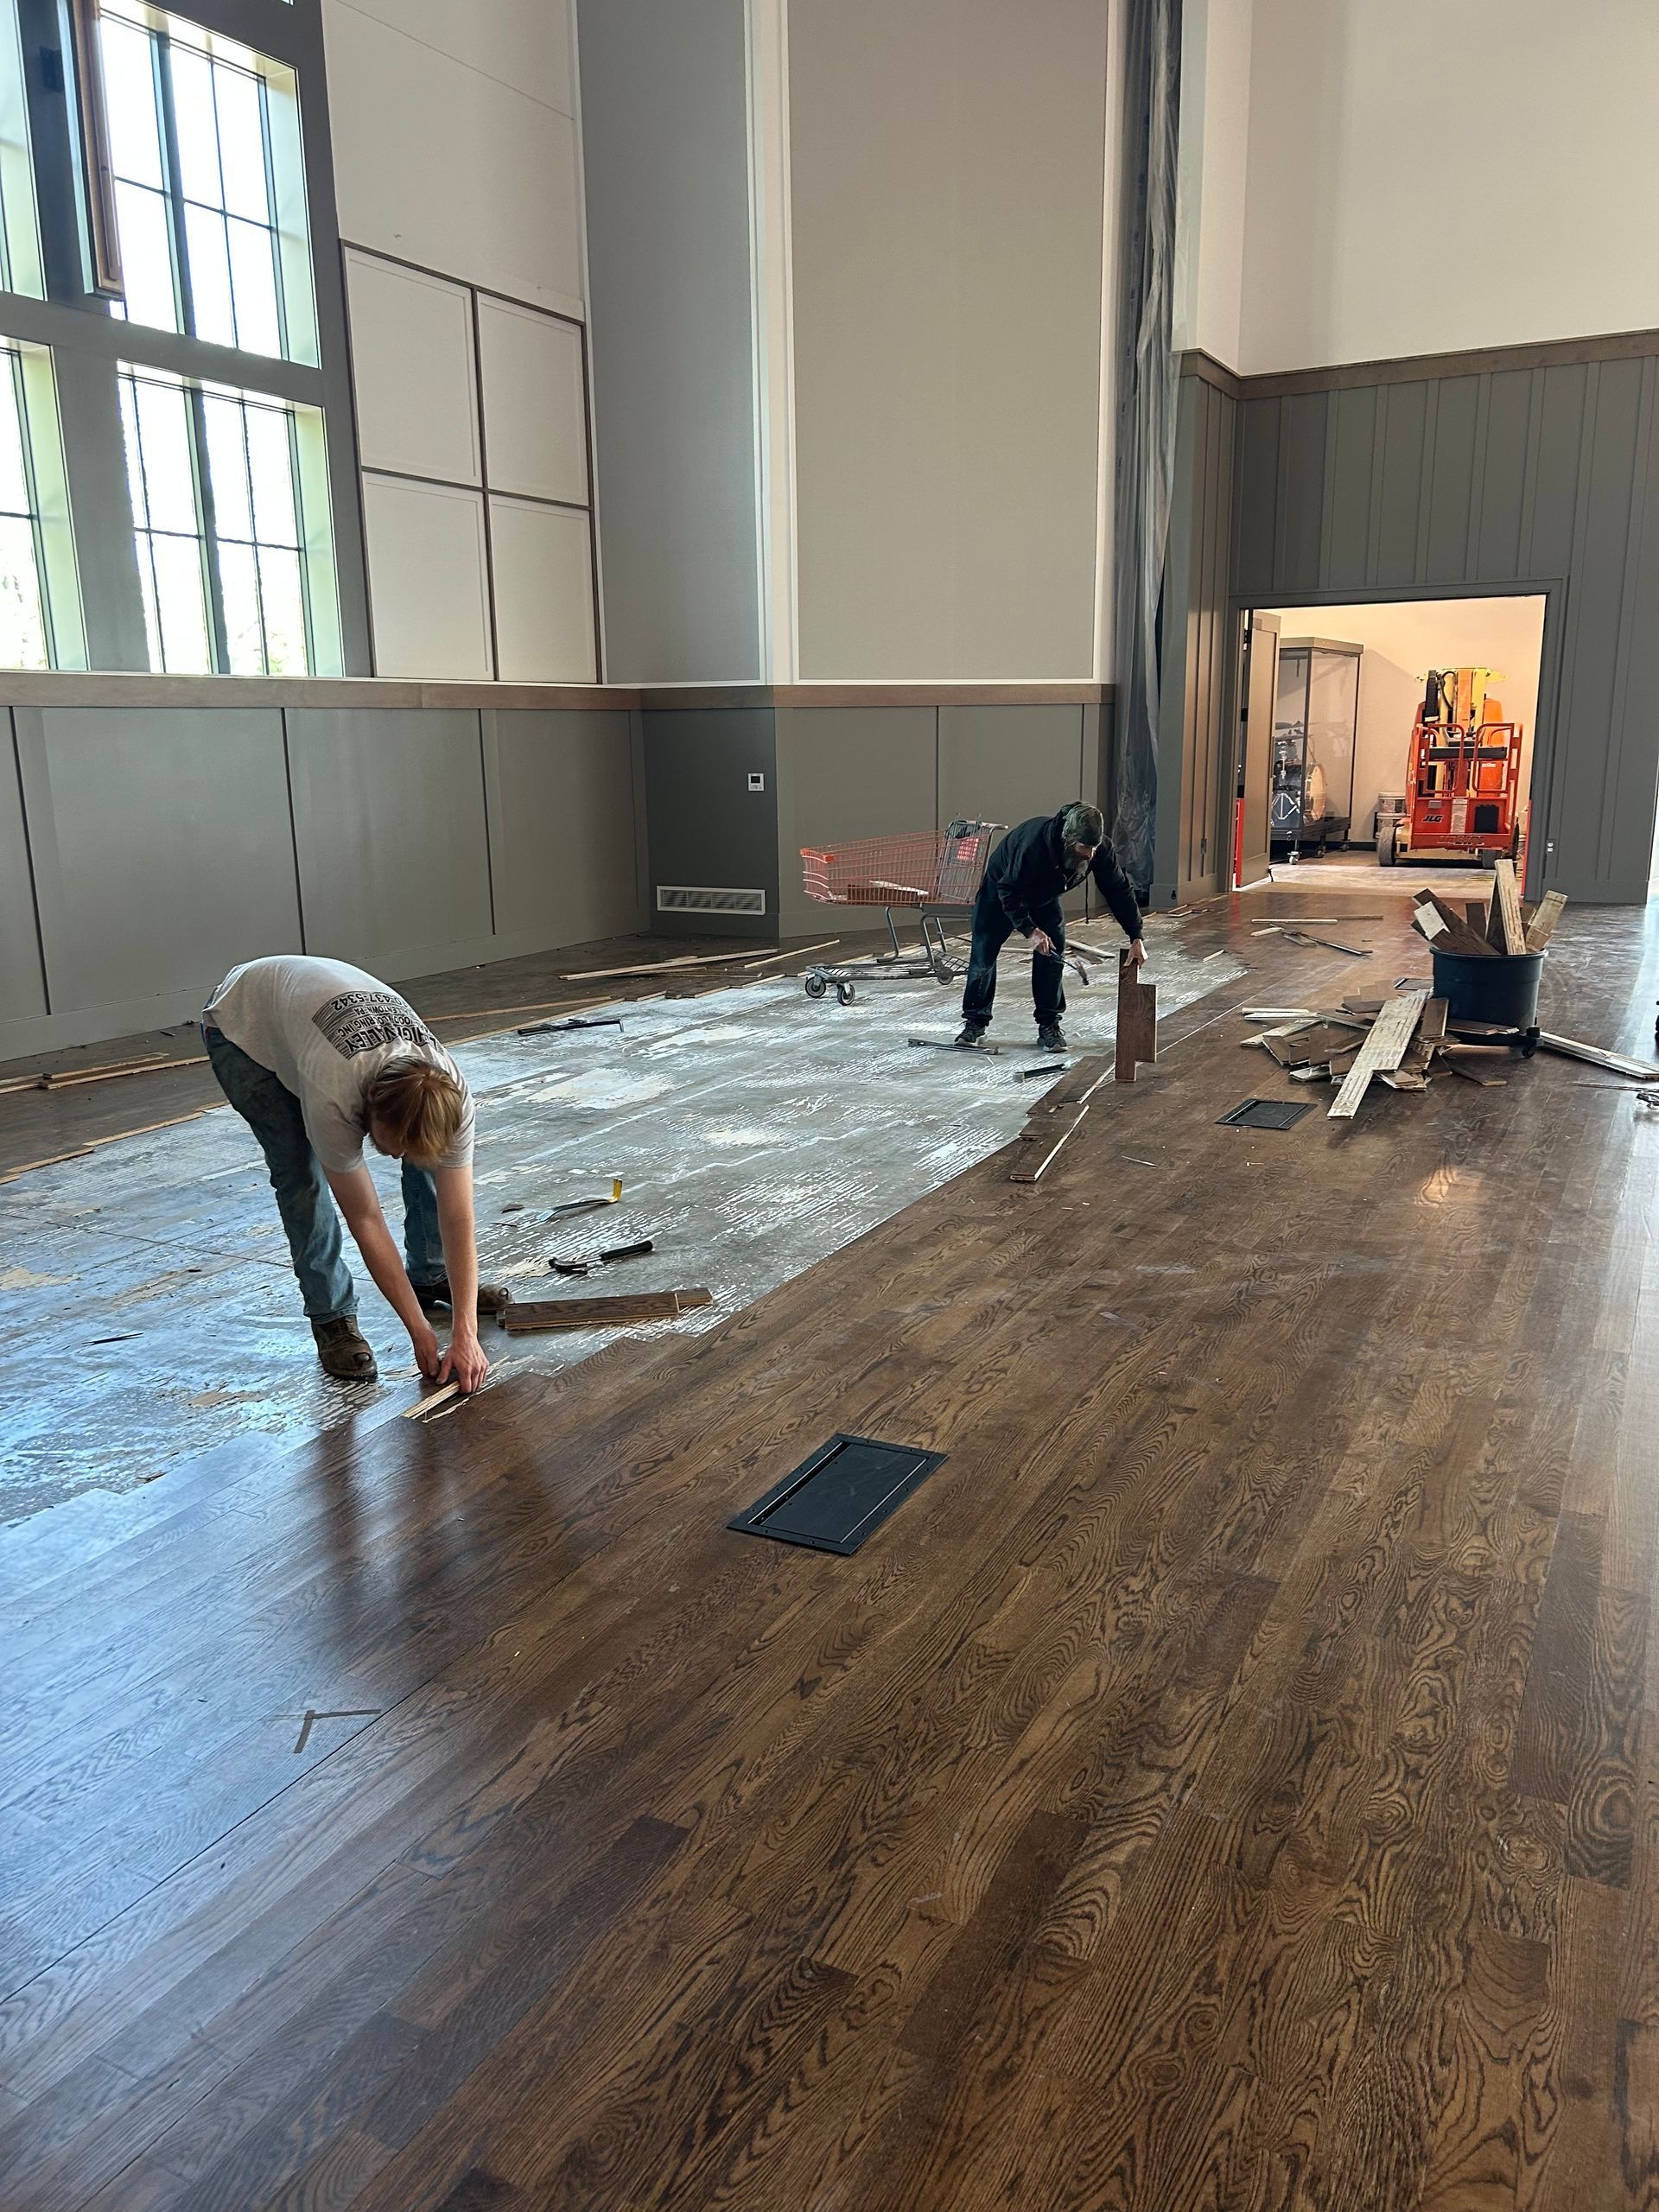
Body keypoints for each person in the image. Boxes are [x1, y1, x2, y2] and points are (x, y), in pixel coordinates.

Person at [201, 955, 498, 1390]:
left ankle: (430, 1274)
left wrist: (465, 1335)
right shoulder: (334, 1095)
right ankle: (332, 1316)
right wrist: (419, 1334)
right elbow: (365, 1219)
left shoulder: (451, 1096)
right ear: (368, 1105)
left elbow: (459, 1217)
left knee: (430, 1162)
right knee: (300, 1176)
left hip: (308, 1010)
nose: (394, 1156)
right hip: (243, 1025)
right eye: (389, 1142)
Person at [957, 802, 1147, 1052]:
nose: (1090, 854)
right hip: (1000, 893)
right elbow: (1008, 889)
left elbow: (1119, 891)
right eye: (1084, 847)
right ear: (1068, 839)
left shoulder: (1098, 850)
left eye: (1094, 847)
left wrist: (1136, 937)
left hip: (1045, 897)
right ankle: (975, 1022)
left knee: (1052, 957)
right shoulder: (1033, 845)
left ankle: (1049, 1025)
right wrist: (1029, 930)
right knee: (983, 956)